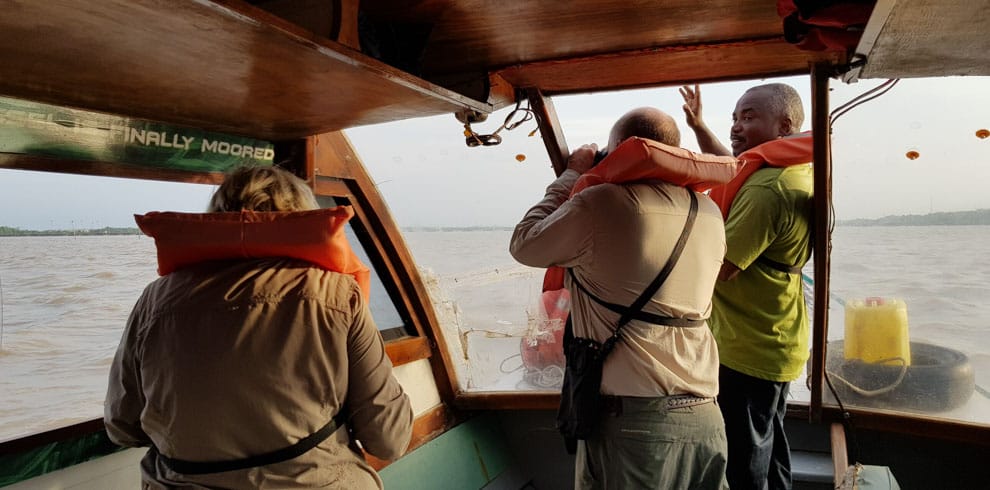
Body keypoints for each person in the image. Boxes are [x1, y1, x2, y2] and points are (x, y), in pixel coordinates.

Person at [105, 165, 413, 489]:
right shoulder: (337, 294)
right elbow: (388, 438)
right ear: (301, 215)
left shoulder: (154, 300)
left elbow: (122, 427)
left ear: (217, 217)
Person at [510, 107, 729, 489]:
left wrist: (571, 176)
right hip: (706, 417)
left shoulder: (603, 203)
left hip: (635, 425)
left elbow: (525, 243)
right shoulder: (708, 210)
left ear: (616, 154)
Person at [681, 83, 814, 490]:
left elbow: (720, 268)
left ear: (785, 125)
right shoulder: (790, 171)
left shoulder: (767, 190)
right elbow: (734, 164)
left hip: (748, 348)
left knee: (744, 461)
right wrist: (700, 127)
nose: (737, 126)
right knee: (768, 447)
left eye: (749, 117)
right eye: (735, 117)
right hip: (776, 337)